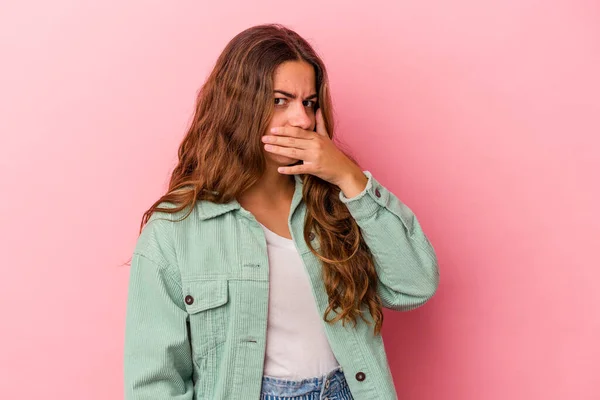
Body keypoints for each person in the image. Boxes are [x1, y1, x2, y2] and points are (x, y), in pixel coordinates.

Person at [123, 23, 439, 400]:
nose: (302, 120)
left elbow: (414, 286)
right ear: (238, 106)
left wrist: (349, 177)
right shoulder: (175, 230)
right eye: (279, 100)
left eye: (308, 103)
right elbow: (154, 384)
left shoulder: (336, 204)